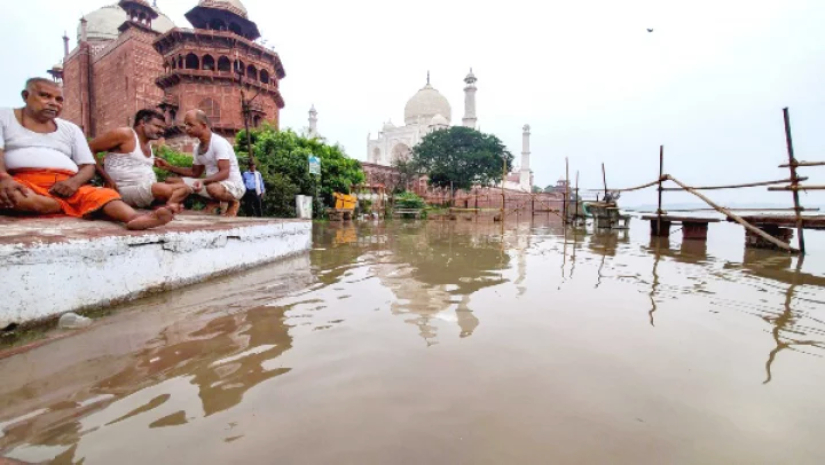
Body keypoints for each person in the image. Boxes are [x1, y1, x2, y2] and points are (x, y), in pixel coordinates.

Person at [0, 78, 173, 230]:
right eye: (45, 96)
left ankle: (136, 218)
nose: (53, 103)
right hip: (22, 181)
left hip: (66, 184)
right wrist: (4, 178)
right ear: (25, 96)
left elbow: (88, 165)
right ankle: (65, 206)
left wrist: (74, 182)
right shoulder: (5, 116)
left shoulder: (70, 129)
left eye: (59, 99)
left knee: (103, 195)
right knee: (12, 195)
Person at [89, 109, 191, 212]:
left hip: (148, 190)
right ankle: (166, 207)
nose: (161, 131)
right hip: (122, 190)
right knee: (163, 189)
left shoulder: (148, 143)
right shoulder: (125, 134)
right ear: (142, 123)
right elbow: (89, 149)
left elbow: (132, 160)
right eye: (157, 126)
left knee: (185, 188)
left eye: (163, 128)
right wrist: (107, 179)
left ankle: (164, 206)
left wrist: (153, 161)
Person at [156, 110, 245, 217]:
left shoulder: (218, 143)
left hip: (232, 187)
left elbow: (225, 173)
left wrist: (203, 181)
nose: (187, 129)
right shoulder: (197, 148)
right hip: (210, 184)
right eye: (185, 125)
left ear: (203, 125)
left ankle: (233, 202)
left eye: (190, 125)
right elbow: (194, 173)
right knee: (170, 182)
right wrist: (168, 167)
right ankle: (213, 202)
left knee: (212, 188)